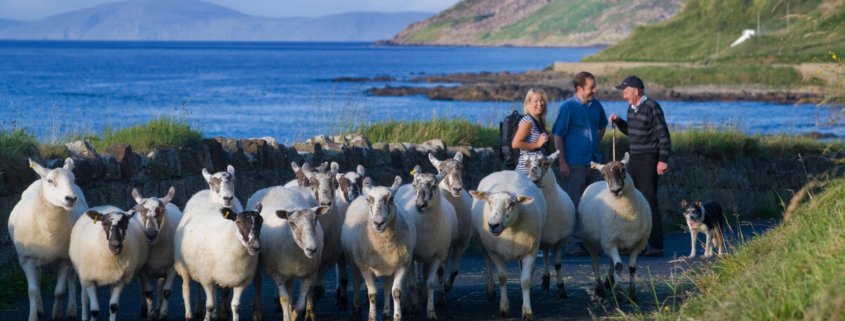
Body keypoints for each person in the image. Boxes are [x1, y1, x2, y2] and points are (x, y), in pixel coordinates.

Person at [609, 75, 671, 257]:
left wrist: (663, 159)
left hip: (649, 159)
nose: (623, 95)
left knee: (649, 201)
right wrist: (619, 122)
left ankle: (656, 245)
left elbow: (664, 136)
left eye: (625, 91)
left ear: (636, 91)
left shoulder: (652, 106)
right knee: (635, 201)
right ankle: (639, 244)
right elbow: (632, 131)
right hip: (635, 158)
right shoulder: (631, 108)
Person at [551, 71, 607, 256]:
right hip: (574, 163)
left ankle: (591, 242)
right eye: (591, 87)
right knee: (574, 203)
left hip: (594, 162)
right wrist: (562, 162)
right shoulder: (568, 107)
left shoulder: (596, 106)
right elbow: (557, 134)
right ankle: (574, 243)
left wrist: (594, 144)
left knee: (595, 204)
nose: (594, 90)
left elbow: (602, 126)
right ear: (579, 88)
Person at [512, 88, 550, 175]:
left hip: (537, 171)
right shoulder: (528, 121)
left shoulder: (538, 121)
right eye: (535, 101)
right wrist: (537, 145)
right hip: (526, 173)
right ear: (528, 103)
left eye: (542, 100)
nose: (540, 104)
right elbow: (515, 144)